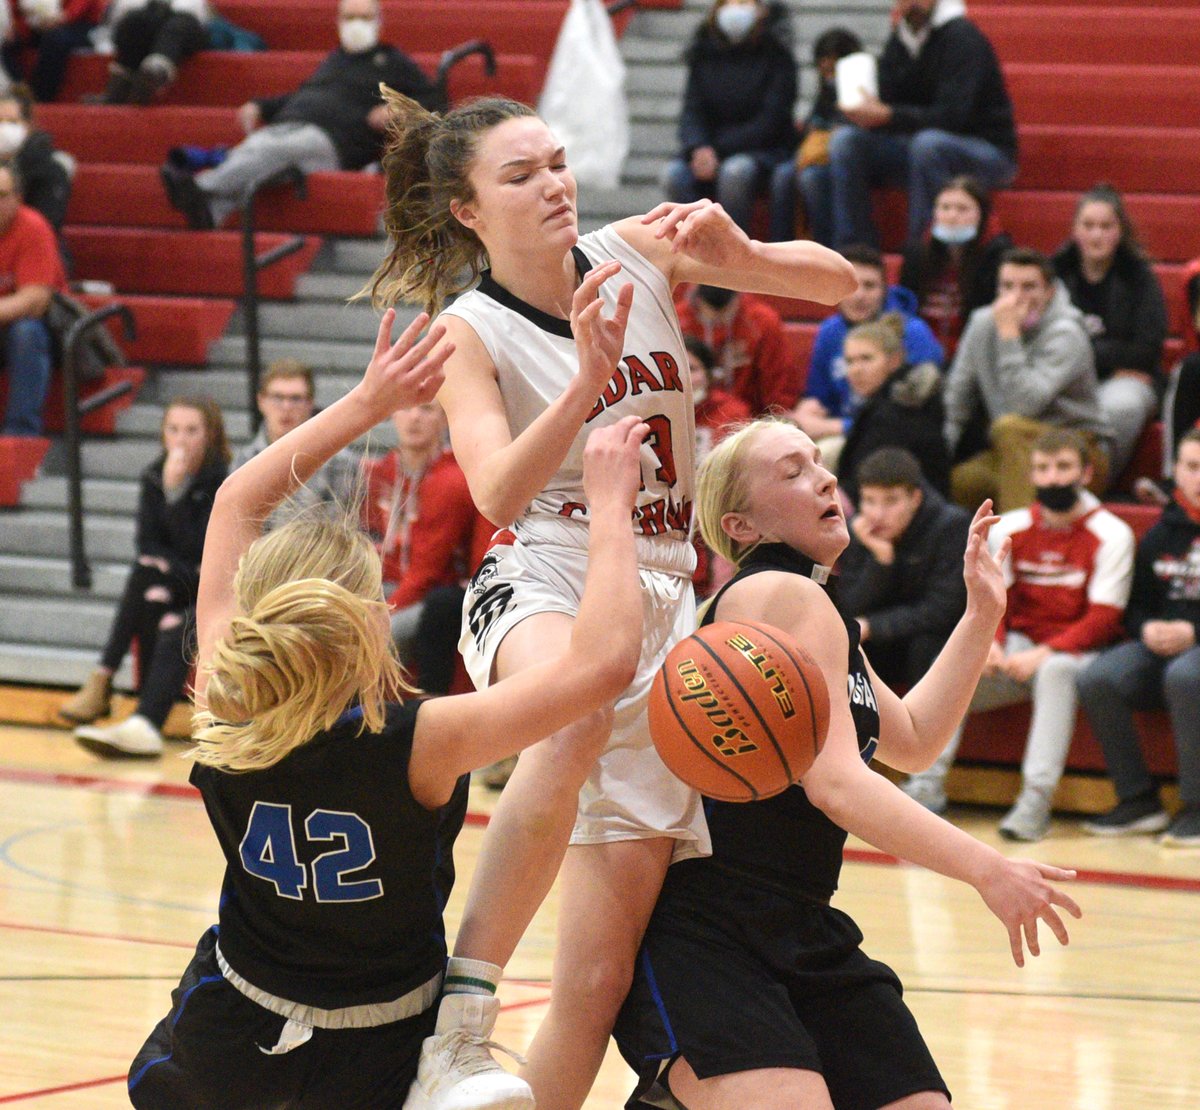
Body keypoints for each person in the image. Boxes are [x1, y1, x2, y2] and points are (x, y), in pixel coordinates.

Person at [366, 91, 856, 1110]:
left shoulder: (637, 249)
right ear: (467, 211)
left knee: (595, 982)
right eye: (520, 174)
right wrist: (587, 381)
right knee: (576, 701)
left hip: (666, 596)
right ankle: (460, 1029)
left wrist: (749, 251)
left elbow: (844, 286)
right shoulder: (467, 332)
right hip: (546, 568)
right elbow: (496, 492)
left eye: (555, 162)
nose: (553, 184)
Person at [123, 311, 650, 1108]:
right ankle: (460, 1040)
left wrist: (366, 403)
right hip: (381, 1038)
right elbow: (606, 665)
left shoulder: (225, 697)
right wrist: (613, 506)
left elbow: (233, 502)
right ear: (365, 626)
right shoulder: (419, 741)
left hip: (236, 1020)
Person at [613, 415, 1081, 1109]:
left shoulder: (823, 610)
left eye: (818, 460)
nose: (826, 476)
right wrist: (988, 869)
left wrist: (981, 614)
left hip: (805, 922)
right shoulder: (778, 595)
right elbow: (834, 781)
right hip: (713, 926)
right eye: (792, 471)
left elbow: (915, 737)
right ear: (741, 526)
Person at [903, 428, 1134, 838]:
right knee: (960, 666)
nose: (1052, 478)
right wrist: (991, 645)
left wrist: (1041, 654)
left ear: (1085, 473)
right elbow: (994, 601)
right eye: (1043, 469)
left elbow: (1103, 620)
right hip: (1018, 646)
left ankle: (1035, 802)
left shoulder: (1112, 533)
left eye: (1063, 467)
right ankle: (925, 786)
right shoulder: (1011, 527)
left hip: (1078, 653)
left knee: (1056, 672)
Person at [160, 0, 440, 231]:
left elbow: (434, 100)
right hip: (292, 122)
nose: (356, 24)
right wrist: (262, 106)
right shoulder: (335, 60)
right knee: (261, 146)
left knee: (273, 148)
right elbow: (306, 95)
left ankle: (200, 187)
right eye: (350, 17)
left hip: (335, 141)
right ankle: (211, 211)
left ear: (378, 22)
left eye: (364, 17)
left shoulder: (391, 61)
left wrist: (398, 110)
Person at [62, 396, 229, 757]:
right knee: (146, 585)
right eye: (173, 430)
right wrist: (168, 575)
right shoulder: (154, 474)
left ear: (210, 434)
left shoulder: (222, 480)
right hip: (173, 583)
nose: (181, 440)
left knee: (165, 611)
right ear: (162, 433)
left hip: (212, 588)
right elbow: (146, 543)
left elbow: (203, 549)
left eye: (191, 430)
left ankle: (107, 684)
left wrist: (174, 494)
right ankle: (135, 718)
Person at [1077, 428, 1200, 848]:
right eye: (1191, 467)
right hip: (1162, 647)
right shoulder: (1161, 533)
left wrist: (1193, 631)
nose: (1198, 477)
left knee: (1185, 676)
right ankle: (1138, 799)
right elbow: (1135, 607)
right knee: (1098, 677)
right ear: (1176, 472)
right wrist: (1146, 628)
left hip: (1191, 654)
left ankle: (1196, 808)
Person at [826, 0, 1018, 249]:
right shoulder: (901, 41)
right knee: (846, 141)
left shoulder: (963, 38)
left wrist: (889, 116)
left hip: (988, 151)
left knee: (928, 144)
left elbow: (953, 117)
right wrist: (860, 112)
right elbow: (887, 97)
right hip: (922, 146)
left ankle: (921, 250)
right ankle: (854, 250)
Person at [943, 247, 1113, 512]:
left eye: (1029, 287)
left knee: (1009, 427)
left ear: (1050, 292)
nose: (1017, 297)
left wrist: (1009, 336)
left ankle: (1017, 545)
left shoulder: (1067, 334)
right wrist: (941, 454)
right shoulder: (981, 323)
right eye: (1008, 286)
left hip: (1077, 448)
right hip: (1009, 448)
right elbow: (957, 398)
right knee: (960, 483)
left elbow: (1024, 405)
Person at [361, 398, 490, 694]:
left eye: (427, 409)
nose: (414, 418)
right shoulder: (382, 471)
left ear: (445, 419)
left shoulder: (452, 479)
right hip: (388, 586)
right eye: (406, 406)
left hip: (432, 596)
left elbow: (425, 574)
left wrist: (379, 615)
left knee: (369, 644)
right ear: (392, 413)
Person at [1052, 184, 1168, 480]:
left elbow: (1146, 349)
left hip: (1127, 380)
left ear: (1120, 231)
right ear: (1075, 230)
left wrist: (1083, 351)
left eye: (1106, 226)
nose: (1096, 234)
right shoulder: (1054, 273)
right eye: (1088, 225)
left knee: (1121, 406)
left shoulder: (1140, 276)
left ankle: (1091, 482)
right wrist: (1108, 355)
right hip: (1066, 376)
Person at [794, 243, 943, 469]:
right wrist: (808, 408)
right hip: (847, 431)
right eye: (850, 286)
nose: (859, 296)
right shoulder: (829, 332)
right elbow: (819, 396)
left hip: (896, 444)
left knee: (825, 456)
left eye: (869, 286)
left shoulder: (912, 332)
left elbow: (910, 418)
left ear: (885, 290)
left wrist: (838, 427)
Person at [663, 0, 797, 238]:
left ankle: (734, 251)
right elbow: (692, 110)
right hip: (709, 149)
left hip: (763, 150)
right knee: (674, 175)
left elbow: (772, 121)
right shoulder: (703, 53)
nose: (735, 7)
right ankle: (689, 250)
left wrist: (717, 150)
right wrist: (698, 147)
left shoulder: (778, 55)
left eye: (744, 1)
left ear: (761, 10)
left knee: (734, 173)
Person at [840, 445, 970, 687]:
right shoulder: (859, 530)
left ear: (915, 498)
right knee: (848, 643)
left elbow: (944, 609)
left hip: (934, 635)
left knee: (924, 646)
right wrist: (880, 561)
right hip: (888, 635)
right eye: (869, 500)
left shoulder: (951, 527)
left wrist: (873, 626)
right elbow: (848, 606)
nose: (877, 514)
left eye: (891, 501)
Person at [231, 358, 358, 531]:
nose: (286, 407)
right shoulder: (243, 460)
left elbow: (340, 532)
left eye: (296, 398)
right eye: (277, 397)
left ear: (310, 403)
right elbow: (236, 529)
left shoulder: (339, 461)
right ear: (261, 401)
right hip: (254, 556)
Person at [835, 312, 949, 499]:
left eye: (866, 359)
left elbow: (859, 489)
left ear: (894, 360)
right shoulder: (891, 401)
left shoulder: (897, 412)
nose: (855, 370)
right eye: (849, 361)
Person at [900, 174, 1013, 356]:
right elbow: (905, 309)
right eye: (945, 208)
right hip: (921, 356)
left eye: (962, 209)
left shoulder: (998, 257)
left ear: (981, 216)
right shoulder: (917, 253)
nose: (952, 216)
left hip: (975, 355)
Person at [774, 25, 862, 247]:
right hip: (818, 156)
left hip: (845, 162)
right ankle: (779, 247)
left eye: (832, 68)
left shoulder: (865, 84)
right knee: (783, 175)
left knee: (811, 178)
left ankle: (826, 248)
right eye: (823, 68)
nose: (827, 74)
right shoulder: (825, 90)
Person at [0, 158, 65, 436]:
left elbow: (35, 300)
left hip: (43, 329)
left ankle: (20, 434)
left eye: (1, 196)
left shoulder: (33, 227)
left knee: (27, 332)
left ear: (18, 198)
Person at [686, 334, 749, 598]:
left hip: (713, 510)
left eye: (693, 369)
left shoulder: (731, 412)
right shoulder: (649, 407)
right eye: (676, 367)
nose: (685, 377)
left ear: (710, 375)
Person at [674, 281, 797, 413]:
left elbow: (779, 391)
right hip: (689, 419)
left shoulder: (763, 322)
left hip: (749, 421)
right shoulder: (675, 320)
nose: (716, 277)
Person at [96, 0, 210, 105]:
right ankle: (122, 84)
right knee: (135, 21)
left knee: (177, 25)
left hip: (186, 29)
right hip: (148, 26)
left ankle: (154, 73)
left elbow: (197, 15)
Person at [1, 0, 107, 103]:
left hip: (81, 24)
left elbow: (76, 10)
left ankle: (41, 96)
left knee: (55, 39)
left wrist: (61, 18)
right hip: (41, 24)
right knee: (7, 42)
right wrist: (13, 25)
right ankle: (21, 87)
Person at [0, 86, 70, 235]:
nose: (4, 128)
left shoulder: (49, 170)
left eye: (12, 122)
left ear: (27, 127)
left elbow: (46, 226)